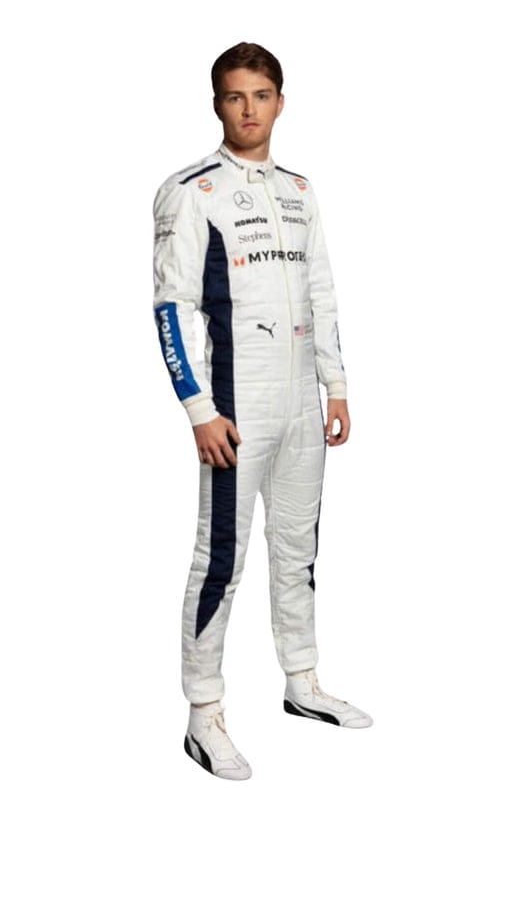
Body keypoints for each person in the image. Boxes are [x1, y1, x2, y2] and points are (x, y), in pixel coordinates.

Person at [152, 42, 372, 781]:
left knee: (298, 549)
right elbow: (171, 306)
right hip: (236, 408)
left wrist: (336, 386)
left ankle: (302, 680)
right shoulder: (192, 191)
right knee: (221, 559)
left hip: (303, 404)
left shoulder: (301, 191)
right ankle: (203, 713)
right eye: (234, 96)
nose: (249, 109)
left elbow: (323, 293)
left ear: (281, 102)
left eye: (262, 95)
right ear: (217, 104)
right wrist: (199, 409)